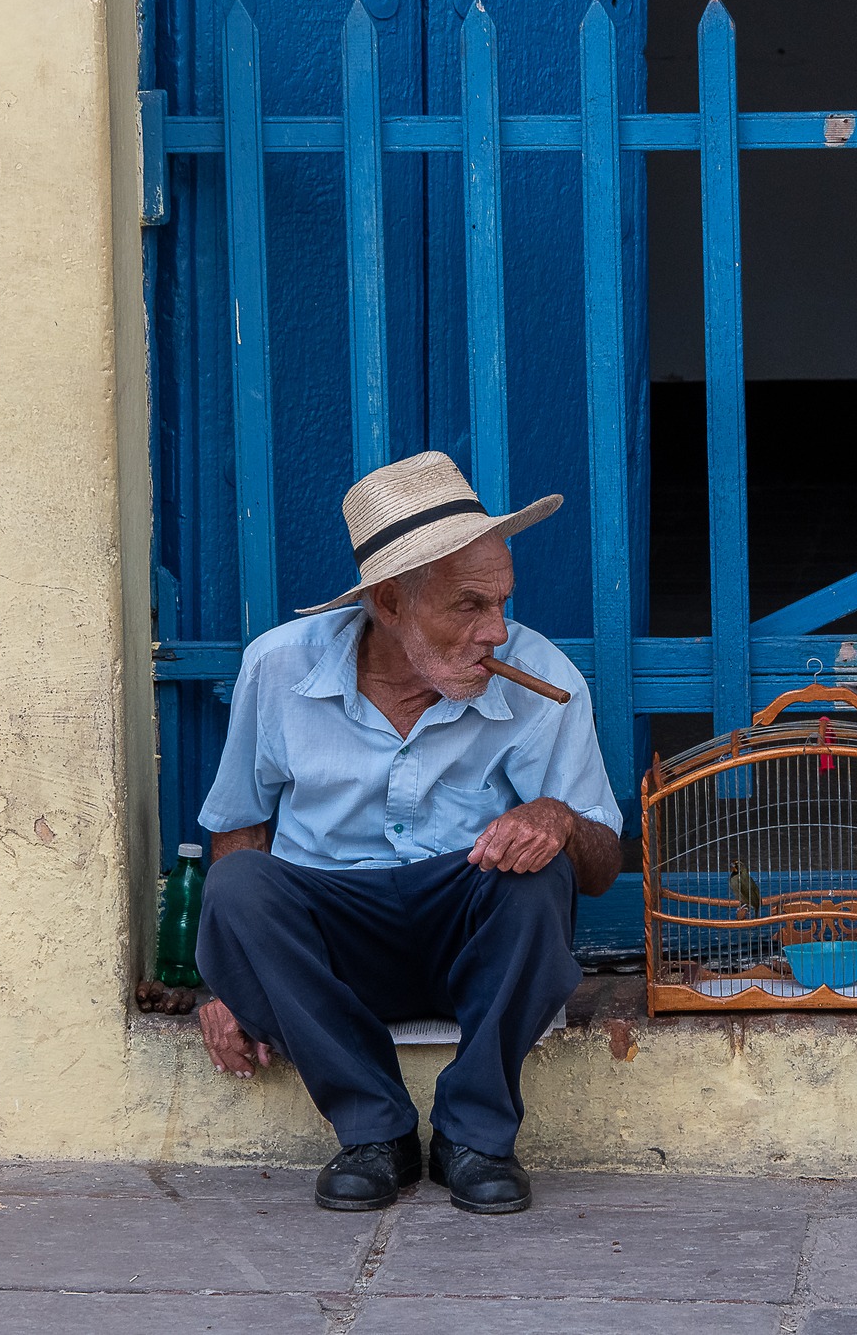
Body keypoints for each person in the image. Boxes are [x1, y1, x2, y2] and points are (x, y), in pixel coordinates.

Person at [191, 452, 622, 1215]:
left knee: (542, 875)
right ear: (389, 602)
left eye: (502, 602)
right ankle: (374, 1132)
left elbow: (601, 866)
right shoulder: (277, 668)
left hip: (466, 938)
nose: (496, 631)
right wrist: (229, 982)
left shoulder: (544, 677)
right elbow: (240, 828)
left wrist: (557, 820)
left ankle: (475, 1137)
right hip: (333, 945)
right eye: (468, 606)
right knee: (236, 885)